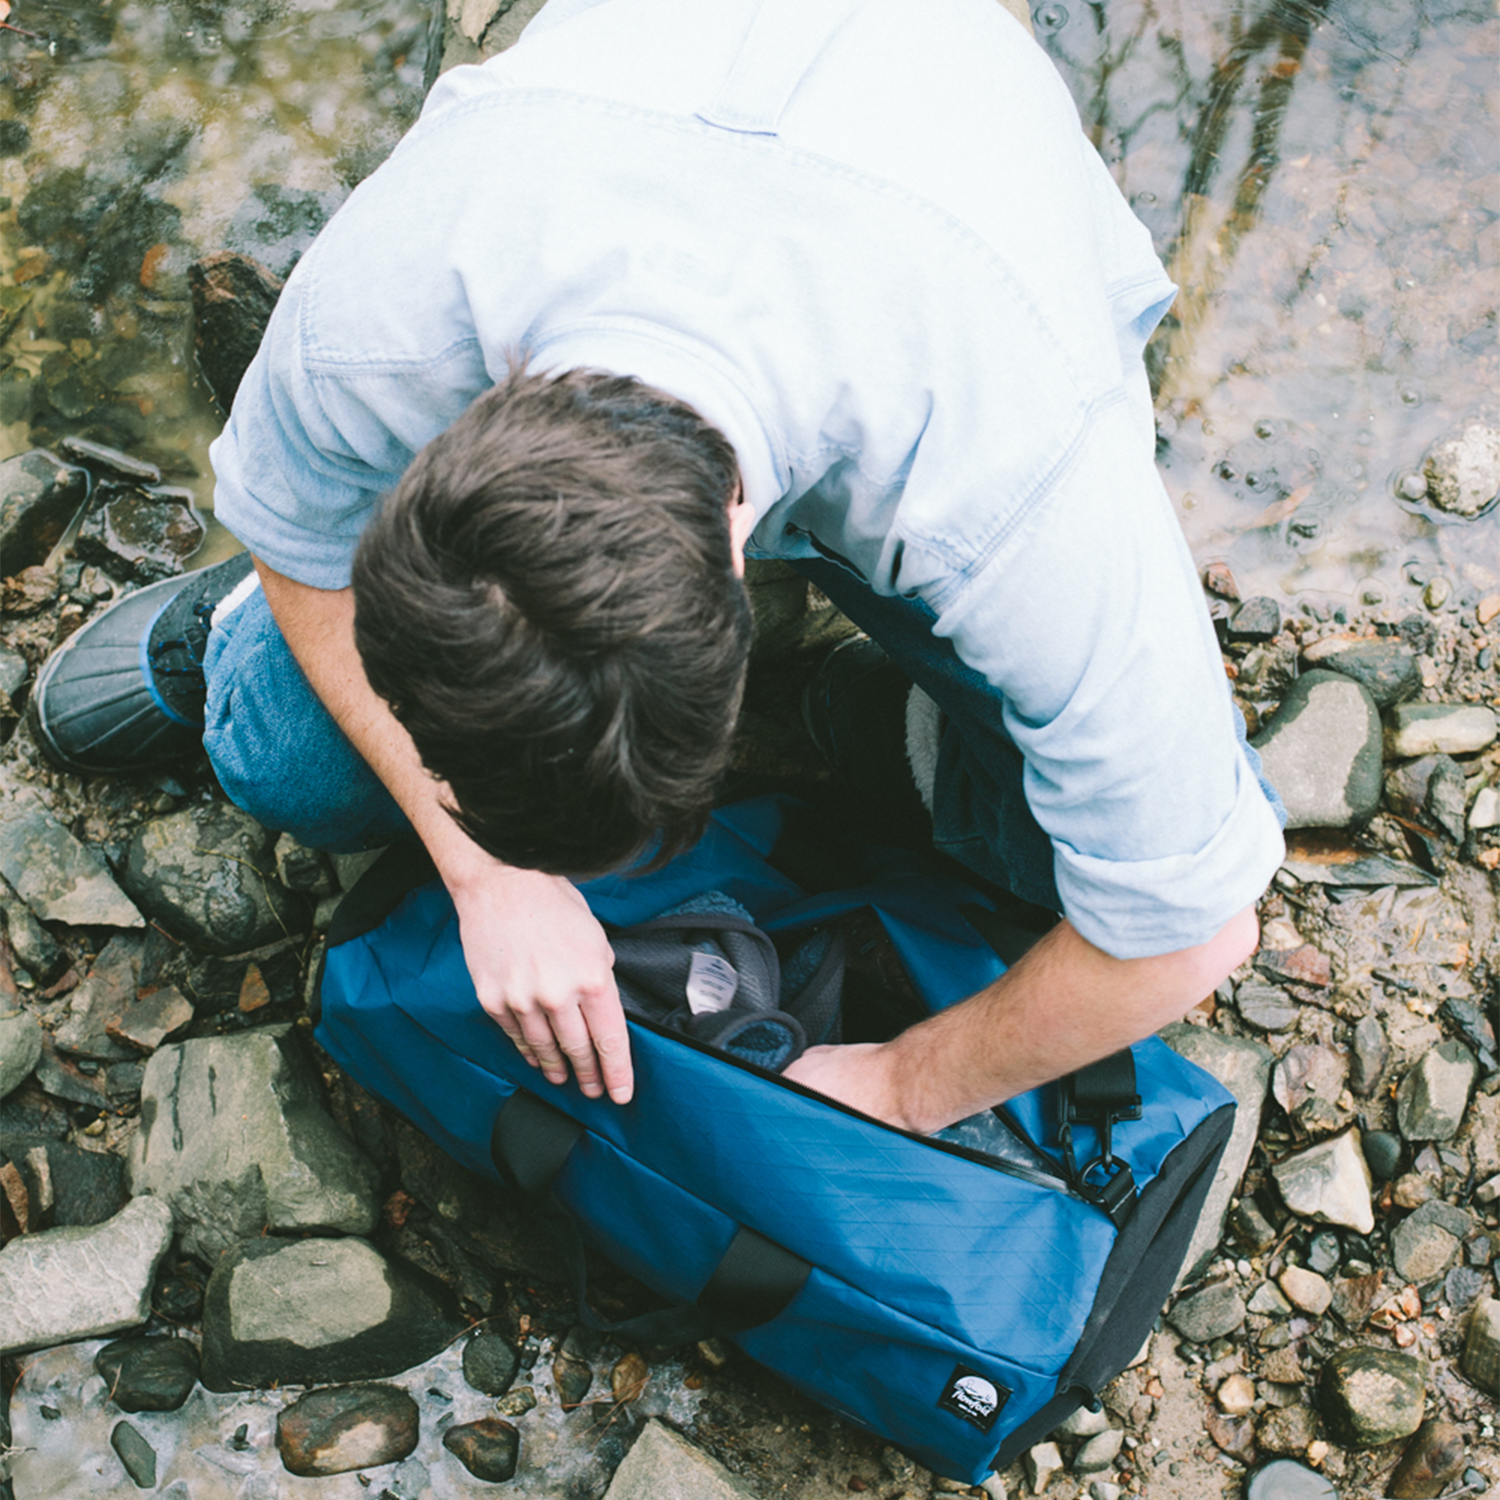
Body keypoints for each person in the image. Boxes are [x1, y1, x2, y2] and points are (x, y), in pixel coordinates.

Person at [31, 0, 1286, 1135]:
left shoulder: (1007, 480)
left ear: (749, 583)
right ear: (427, 473)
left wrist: (906, 1083)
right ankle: (231, 630)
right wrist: (491, 872)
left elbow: (1197, 921)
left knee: (1057, 865)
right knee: (288, 761)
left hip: (934, 184)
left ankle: (870, 712)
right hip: (635, 135)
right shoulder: (391, 316)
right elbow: (301, 540)